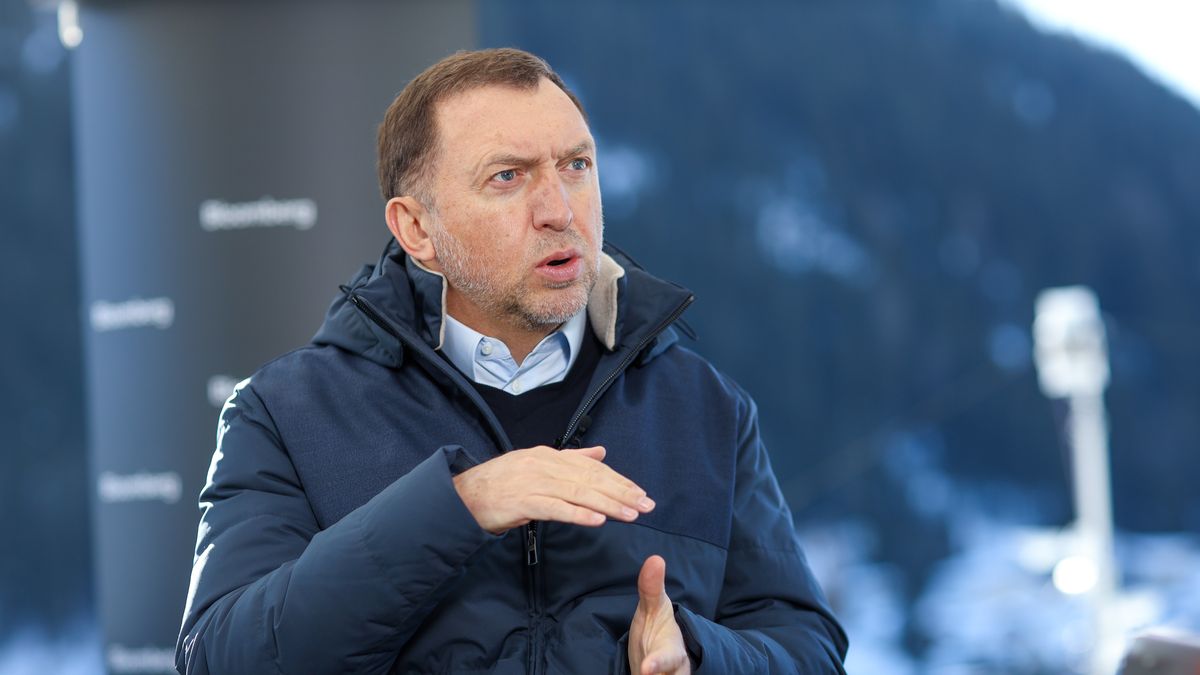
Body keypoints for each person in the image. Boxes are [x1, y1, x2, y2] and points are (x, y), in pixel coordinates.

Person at [176, 48, 847, 674]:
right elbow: (219, 654)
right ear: (418, 230)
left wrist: (701, 653)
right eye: (508, 177)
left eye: (576, 166)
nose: (560, 211)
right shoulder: (284, 413)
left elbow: (809, 649)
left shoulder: (706, 407)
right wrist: (455, 506)